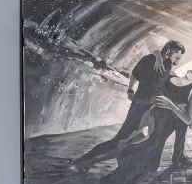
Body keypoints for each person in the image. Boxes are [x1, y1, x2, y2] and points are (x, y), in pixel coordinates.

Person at [72, 40, 185, 172]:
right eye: (177, 57)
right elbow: (136, 74)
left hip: (149, 107)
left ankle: (126, 164)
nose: (177, 62)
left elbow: (157, 81)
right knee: (121, 139)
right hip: (140, 104)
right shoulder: (150, 60)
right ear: (169, 51)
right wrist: (131, 90)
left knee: (137, 139)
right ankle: (84, 161)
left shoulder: (166, 65)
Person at [97, 70, 192, 184]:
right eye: (189, 71)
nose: (190, 72)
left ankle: (126, 180)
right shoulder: (170, 79)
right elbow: (155, 95)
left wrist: (172, 106)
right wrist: (154, 102)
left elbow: (188, 120)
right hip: (155, 119)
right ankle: (121, 176)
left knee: (150, 151)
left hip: (169, 124)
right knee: (141, 146)